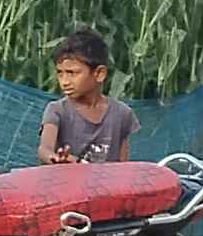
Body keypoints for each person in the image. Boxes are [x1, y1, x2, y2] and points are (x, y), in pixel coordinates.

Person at [40, 28, 140, 165]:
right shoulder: (57, 110)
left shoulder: (122, 114)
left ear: (99, 74)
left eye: (72, 73)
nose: (64, 82)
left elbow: (123, 165)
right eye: (60, 73)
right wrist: (56, 159)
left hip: (108, 180)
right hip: (67, 179)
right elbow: (44, 149)